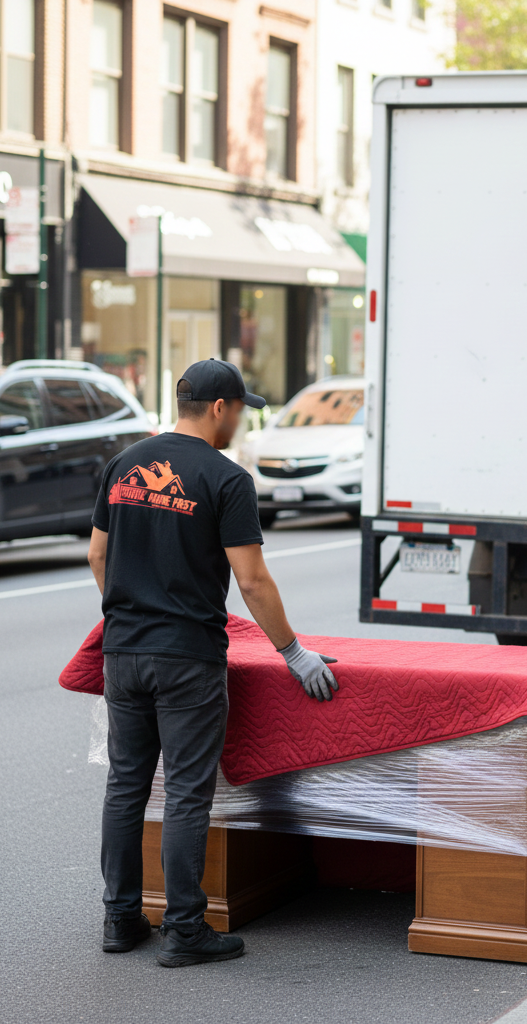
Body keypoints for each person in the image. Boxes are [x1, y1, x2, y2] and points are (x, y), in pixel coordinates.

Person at [87, 359, 338, 967]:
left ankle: (120, 919)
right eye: (241, 410)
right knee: (185, 794)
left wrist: (129, 614)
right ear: (220, 408)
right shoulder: (226, 478)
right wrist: (293, 652)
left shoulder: (124, 465)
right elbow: (251, 580)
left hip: (123, 651)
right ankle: (184, 929)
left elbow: (98, 555)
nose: (242, 422)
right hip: (187, 658)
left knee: (126, 786)